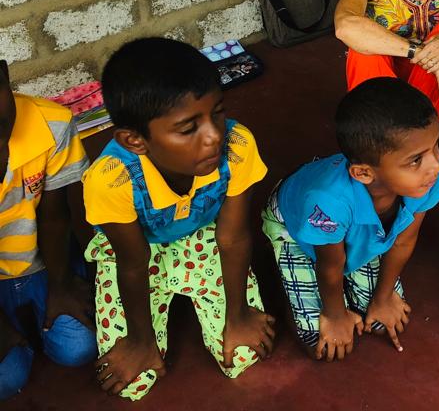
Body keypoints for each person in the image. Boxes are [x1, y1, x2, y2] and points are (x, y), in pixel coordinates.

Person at [83, 38, 274, 400]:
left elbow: (233, 237)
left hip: (202, 233)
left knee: (242, 354)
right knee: (134, 383)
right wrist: (140, 341)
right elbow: (133, 263)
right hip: (136, 251)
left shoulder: (237, 146)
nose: (214, 135)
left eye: (218, 112)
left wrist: (238, 316)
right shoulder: (111, 179)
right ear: (135, 140)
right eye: (188, 129)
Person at [262, 78, 439, 360]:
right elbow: (330, 265)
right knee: (321, 346)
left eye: (435, 146)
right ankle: (281, 273)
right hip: (296, 226)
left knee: (380, 321)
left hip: (348, 229)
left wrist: (383, 299)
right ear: (363, 173)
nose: (435, 165)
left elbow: (403, 241)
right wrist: (335, 316)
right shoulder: (328, 203)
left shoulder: (426, 178)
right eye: (415, 160)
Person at [0, 60, 96, 400]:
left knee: (79, 347)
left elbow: (55, 216)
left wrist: (61, 285)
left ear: (4, 75)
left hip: (41, 260)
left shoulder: (51, 123)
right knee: (7, 380)